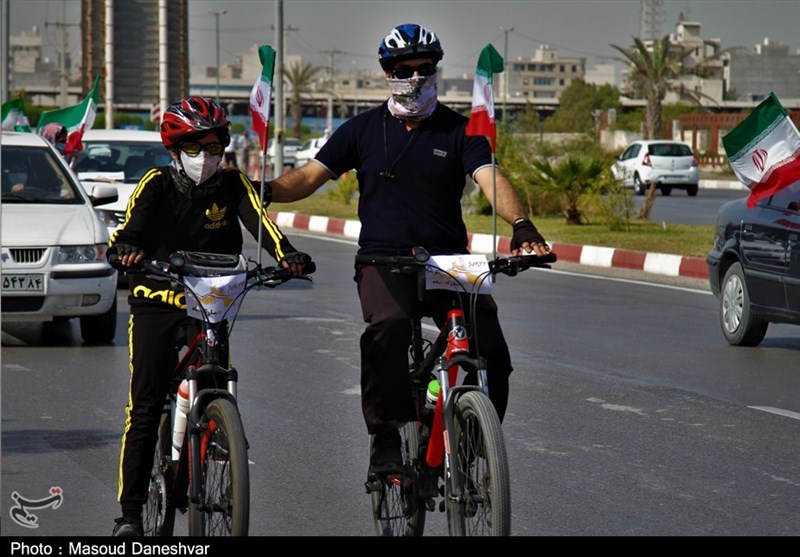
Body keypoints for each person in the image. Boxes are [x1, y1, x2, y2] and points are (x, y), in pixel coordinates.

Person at [268, 23, 552, 476]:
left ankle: (474, 441)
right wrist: (263, 191)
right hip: (384, 260)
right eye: (404, 70)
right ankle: (385, 436)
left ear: (436, 71)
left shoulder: (462, 131)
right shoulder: (360, 129)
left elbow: (490, 179)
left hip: (449, 261)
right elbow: (307, 177)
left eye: (425, 68)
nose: (416, 78)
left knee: (495, 353)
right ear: (388, 74)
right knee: (390, 325)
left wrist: (521, 224)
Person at [106, 96, 314, 536]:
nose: (206, 157)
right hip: (157, 299)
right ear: (174, 149)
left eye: (215, 147)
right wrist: (125, 250)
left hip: (212, 302)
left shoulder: (233, 184)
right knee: (144, 405)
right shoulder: (156, 184)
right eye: (194, 147)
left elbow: (262, 225)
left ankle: (217, 430)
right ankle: (130, 515)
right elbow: (128, 232)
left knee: (216, 379)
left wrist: (288, 254)